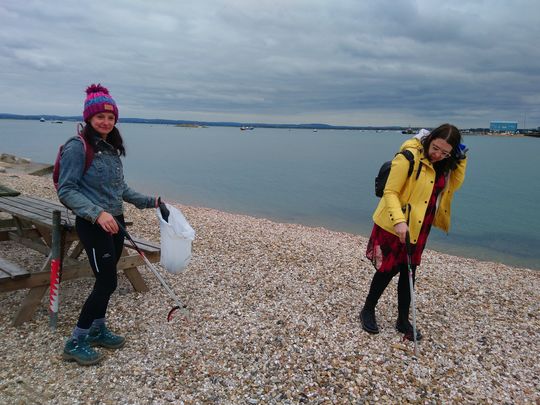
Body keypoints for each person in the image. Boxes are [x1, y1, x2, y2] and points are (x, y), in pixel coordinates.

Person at [57, 84, 165, 365]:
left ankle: (97, 328)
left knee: (108, 280)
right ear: (89, 119)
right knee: (106, 281)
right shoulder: (76, 148)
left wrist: (152, 200)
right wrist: (98, 213)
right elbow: (66, 190)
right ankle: (76, 340)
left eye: (111, 117)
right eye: (100, 117)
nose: (105, 122)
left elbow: (120, 190)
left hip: (116, 224)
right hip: (93, 224)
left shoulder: (110, 150)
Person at [360, 124, 467, 340]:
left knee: (410, 270)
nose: (438, 155)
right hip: (395, 222)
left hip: (420, 223)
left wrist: (460, 160)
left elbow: (453, 186)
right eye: (436, 148)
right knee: (387, 269)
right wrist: (399, 221)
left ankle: (402, 320)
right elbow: (390, 192)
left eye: (445, 152)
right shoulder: (409, 156)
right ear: (430, 139)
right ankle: (367, 310)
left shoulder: (444, 164)